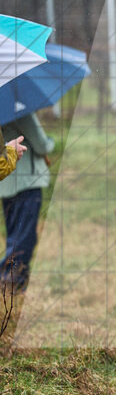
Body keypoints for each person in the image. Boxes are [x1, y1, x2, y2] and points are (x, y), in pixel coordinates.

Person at [0, 112, 52, 291]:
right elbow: (41, 144)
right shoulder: (19, 109)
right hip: (26, 183)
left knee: (15, 237)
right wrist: (49, 144)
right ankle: (11, 285)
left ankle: (9, 282)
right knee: (24, 238)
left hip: (6, 184)